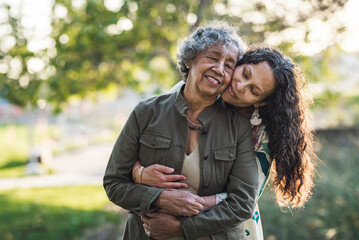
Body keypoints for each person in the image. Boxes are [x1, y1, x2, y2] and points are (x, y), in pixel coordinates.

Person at [134, 46, 317, 240]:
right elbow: (136, 149)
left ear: (260, 102)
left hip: (222, 228)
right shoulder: (190, 92)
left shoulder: (260, 136)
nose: (240, 86)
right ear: (239, 62)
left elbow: (243, 199)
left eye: (253, 90)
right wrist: (141, 174)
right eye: (244, 74)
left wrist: (182, 214)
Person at [103, 21, 261, 240]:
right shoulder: (146, 112)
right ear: (190, 58)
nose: (219, 69)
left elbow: (243, 203)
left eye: (229, 65)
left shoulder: (238, 127)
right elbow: (114, 183)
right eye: (213, 58)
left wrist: (183, 229)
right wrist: (160, 198)